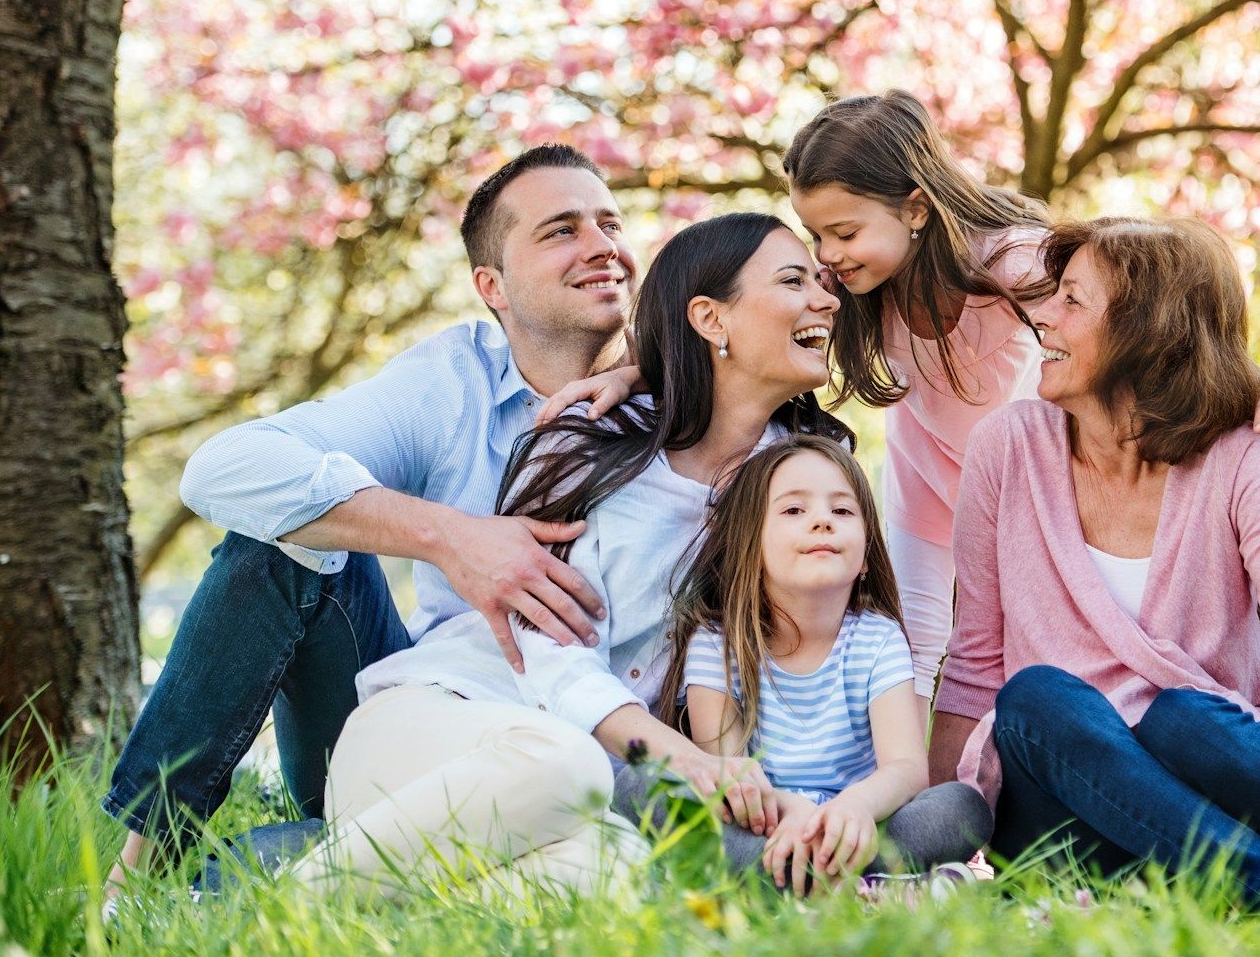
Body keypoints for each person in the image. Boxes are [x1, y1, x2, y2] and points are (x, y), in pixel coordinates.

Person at [549, 90, 1260, 703]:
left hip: (1023, 486)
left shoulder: (1014, 267)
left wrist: (1249, 377)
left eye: (843, 231)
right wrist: (636, 371)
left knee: (1021, 643)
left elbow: (1148, 324)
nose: (828, 257)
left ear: (915, 208)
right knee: (912, 638)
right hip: (929, 480)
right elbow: (737, 326)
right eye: (816, 238)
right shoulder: (861, 284)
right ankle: (915, 797)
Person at [104, 145, 634, 896]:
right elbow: (223, 467)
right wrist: (454, 537)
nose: (603, 246)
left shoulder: (691, 375)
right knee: (279, 540)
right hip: (429, 717)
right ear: (494, 287)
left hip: (593, 739)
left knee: (592, 864)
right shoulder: (454, 381)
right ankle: (136, 880)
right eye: (561, 231)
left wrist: (652, 363)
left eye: (609, 223)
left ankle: (281, 871)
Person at [290, 212, 850, 893]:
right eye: (796, 281)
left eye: (823, 283)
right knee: (571, 765)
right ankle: (290, 901)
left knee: (622, 871)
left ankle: (317, 892)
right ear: (710, 318)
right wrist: (684, 759)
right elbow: (549, 654)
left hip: (573, 800)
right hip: (443, 734)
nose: (826, 299)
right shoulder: (588, 441)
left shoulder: (811, 478)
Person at [930, 218, 1260, 908]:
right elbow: (973, 664)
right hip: (1056, 807)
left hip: (1208, 783)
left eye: (1072, 301)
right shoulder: (1007, 449)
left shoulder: (1240, 464)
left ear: (1148, 332)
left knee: (1185, 719)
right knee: (1038, 699)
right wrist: (936, 836)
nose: (1042, 316)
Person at [618, 435, 993, 894]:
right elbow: (730, 776)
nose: (821, 521)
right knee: (639, 783)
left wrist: (850, 810)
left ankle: (793, 885)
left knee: (960, 806)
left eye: (842, 511)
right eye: (794, 511)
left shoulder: (878, 639)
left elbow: (907, 768)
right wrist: (794, 814)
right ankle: (865, 887)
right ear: (751, 547)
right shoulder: (717, 645)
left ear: (865, 554)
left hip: (862, 827)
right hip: (762, 826)